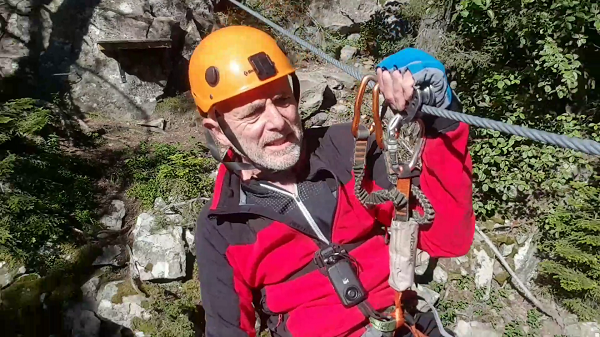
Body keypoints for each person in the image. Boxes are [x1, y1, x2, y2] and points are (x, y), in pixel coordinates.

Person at [189, 25, 475, 337]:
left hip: (403, 324)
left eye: (283, 100)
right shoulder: (223, 225)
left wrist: (442, 119)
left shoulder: (344, 149)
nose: (277, 122)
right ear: (217, 130)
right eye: (253, 113)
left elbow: (447, 239)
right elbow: (228, 331)